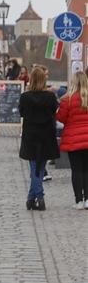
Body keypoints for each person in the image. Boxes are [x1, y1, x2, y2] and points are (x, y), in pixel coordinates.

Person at [18, 67, 59, 211]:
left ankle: (35, 197)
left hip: (31, 134)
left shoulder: (25, 97)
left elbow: (21, 113)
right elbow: (54, 111)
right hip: (46, 134)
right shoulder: (50, 97)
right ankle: (35, 198)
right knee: (40, 166)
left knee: (34, 166)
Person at [56, 71, 88, 210]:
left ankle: (78, 200)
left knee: (76, 170)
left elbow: (61, 118)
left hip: (73, 140)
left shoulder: (67, 99)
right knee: (87, 170)